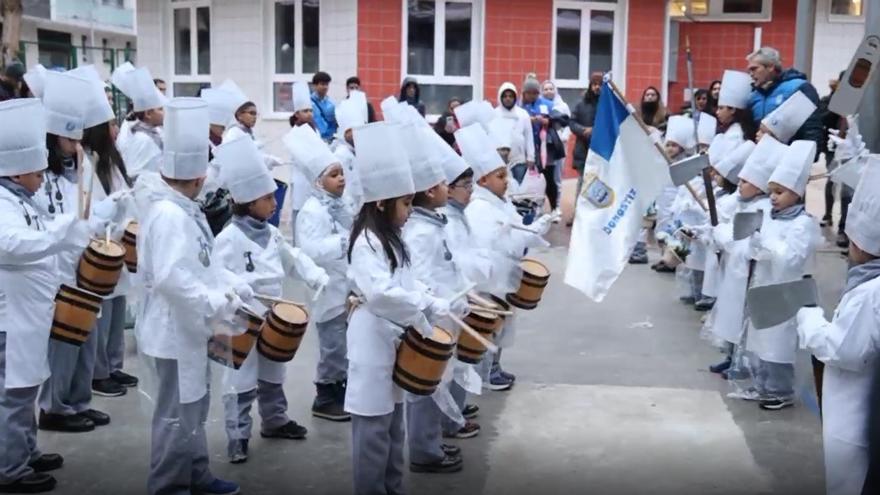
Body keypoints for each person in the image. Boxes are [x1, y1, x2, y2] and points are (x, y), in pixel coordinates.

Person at [134, 97, 246, 495]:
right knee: (175, 415)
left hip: (190, 328)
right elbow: (171, 277)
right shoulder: (169, 215)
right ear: (198, 178)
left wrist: (231, 285)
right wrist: (213, 301)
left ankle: (197, 473)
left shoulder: (185, 209)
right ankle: (168, 486)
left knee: (194, 407)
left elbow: (201, 263)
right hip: (173, 332)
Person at [0, 98, 107, 494]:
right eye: (37, 172)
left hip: (30, 315)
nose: (43, 178)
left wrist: (87, 220)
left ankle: (25, 452)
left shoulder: (21, 200)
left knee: (27, 388)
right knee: (13, 395)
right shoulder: (3, 205)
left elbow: (55, 230)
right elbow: (15, 244)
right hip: (12, 319)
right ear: (18, 172)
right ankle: (10, 469)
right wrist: (63, 229)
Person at [345, 121, 449, 495]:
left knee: (393, 429)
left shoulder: (393, 238)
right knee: (373, 434)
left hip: (393, 342)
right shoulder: (366, 242)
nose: (409, 210)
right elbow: (381, 294)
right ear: (381, 203)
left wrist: (431, 298)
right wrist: (424, 303)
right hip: (372, 344)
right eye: (405, 203)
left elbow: (406, 283)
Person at [213, 135, 327, 464]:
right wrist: (237, 285)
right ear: (248, 202)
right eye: (267, 198)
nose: (274, 202)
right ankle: (237, 435)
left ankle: (275, 420)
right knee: (240, 378)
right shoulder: (229, 237)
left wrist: (314, 274)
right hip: (240, 316)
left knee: (273, 371)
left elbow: (293, 258)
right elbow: (215, 273)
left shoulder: (272, 233)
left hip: (273, 315)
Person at [32, 70, 119, 433]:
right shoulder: (41, 174)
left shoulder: (80, 165)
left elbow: (86, 213)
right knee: (64, 342)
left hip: (84, 267)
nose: (77, 141)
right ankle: (55, 407)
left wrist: (111, 210)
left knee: (88, 339)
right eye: (70, 136)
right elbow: (51, 223)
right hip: (57, 271)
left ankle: (79, 401)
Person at [796, 156, 880, 495]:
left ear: (860, 245)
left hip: (856, 413)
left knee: (852, 481)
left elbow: (843, 349)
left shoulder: (871, 293)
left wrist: (809, 319)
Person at [400, 122, 472, 474]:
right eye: (445, 182)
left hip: (445, 317)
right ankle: (424, 452)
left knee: (436, 384)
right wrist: (442, 305)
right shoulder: (419, 233)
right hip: (430, 322)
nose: (449, 187)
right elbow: (422, 282)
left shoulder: (433, 224)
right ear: (430, 191)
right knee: (425, 386)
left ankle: (430, 441)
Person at [458, 123, 551, 390]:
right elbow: (492, 245)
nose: (506, 180)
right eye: (500, 176)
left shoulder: (501, 202)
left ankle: (493, 368)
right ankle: (482, 375)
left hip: (502, 278)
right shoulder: (479, 208)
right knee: (485, 328)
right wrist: (517, 237)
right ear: (483, 181)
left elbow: (516, 232)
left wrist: (535, 229)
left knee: (501, 326)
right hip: (487, 282)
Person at [744, 140, 821, 411]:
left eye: (780, 192)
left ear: (797, 194)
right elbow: (757, 248)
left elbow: (792, 260)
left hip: (784, 290)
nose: (773, 197)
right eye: (771, 192)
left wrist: (767, 244)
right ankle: (761, 384)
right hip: (763, 284)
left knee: (778, 343)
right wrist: (754, 243)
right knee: (759, 339)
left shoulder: (803, 224)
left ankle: (780, 389)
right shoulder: (768, 215)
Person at [288, 124, 353, 422]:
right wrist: (342, 242)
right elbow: (310, 249)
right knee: (333, 346)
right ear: (317, 182)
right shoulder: (312, 210)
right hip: (327, 289)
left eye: (342, 173)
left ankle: (341, 391)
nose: (341, 179)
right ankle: (325, 396)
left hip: (345, 286)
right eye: (334, 175)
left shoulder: (340, 206)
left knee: (345, 344)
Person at [81, 118, 139, 397]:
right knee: (102, 313)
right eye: (110, 125)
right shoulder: (86, 162)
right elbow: (90, 209)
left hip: (118, 241)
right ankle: (99, 372)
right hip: (100, 248)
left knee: (117, 308)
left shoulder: (111, 159)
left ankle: (114, 365)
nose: (116, 130)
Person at [438, 142, 491, 441]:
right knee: (448, 368)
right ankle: (449, 421)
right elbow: (456, 262)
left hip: (461, 297)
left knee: (458, 364)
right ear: (447, 189)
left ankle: (455, 412)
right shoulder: (445, 221)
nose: (470, 191)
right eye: (465, 186)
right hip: (448, 301)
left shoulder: (459, 214)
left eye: (472, 185)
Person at [746, 46, 823, 150]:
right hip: (762, 154)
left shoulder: (798, 87)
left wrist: (811, 153)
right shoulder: (753, 96)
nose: (751, 74)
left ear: (770, 67)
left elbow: (812, 127)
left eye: (754, 69)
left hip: (791, 153)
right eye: (749, 70)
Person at [112, 63, 166, 177]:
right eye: (160, 109)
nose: (164, 113)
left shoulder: (154, 131)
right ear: (148, 114)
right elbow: (134, 173)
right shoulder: (141, 138)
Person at [818, 72, 852, 248]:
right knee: (832, 180)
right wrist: (836, 98)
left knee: (848, 188)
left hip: (853, 148)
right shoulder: (830, 99)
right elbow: (824, 118)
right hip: (833, 146)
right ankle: (828, 214)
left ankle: (843, 228)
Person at [520, 78, 562, 221]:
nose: (532, 96)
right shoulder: (520, 106)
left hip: (545, 148)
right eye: (529, 93)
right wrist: (528, 121)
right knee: (532, 180)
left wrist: (548, 121)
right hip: (527, 149)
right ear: (524, 93)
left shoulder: (547, 104)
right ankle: (534, 208)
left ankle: (555, 208)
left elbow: (561, 120)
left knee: (549, 178)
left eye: (535, 93)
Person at [567, 73, 602, 226]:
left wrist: (595, 130)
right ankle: (577, 215)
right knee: (582, 184)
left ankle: (596, 218)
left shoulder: (607, 105)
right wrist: (583, 130)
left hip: (601, 152)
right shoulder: (581, 104)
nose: (597, 87)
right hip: (583, 150)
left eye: (600, 84)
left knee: (600, 185)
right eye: (594, 84)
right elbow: (572, 122)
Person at [331, 90, 368, 211]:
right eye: (350, 131)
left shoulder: (359, 152)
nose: (355, 135)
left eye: (359, 130)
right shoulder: (340, 154)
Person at [494, 82, 534, 187]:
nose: (508, 99)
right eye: (505, 96)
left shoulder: (523, 114)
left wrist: (531, 157)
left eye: (510, 96)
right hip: (500, 160)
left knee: (519, 187)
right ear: (500, 97)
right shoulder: (494, 114)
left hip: (519, 159)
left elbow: (529, 136)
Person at [715, 70, 757, 143]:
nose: (717, 112)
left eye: (721, 108)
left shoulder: (735, 135)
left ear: (732, 110)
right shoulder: (732, 130)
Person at [311, 71, 337, 142]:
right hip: (316, 140)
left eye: (327, 84)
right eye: (322, 84)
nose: (325, 87)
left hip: (331, 140)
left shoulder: (331, 103)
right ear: (315, 85)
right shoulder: (309, 103)